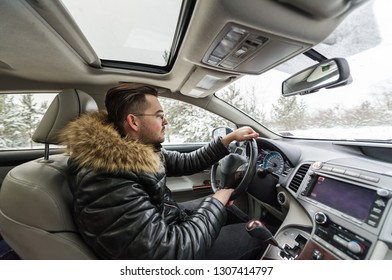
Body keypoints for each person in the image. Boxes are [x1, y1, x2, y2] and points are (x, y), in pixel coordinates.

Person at [59, 83, 267, 260]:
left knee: (229, 210)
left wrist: (227, 139)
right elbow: (168, 252)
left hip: (163, 223)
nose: (165, 121)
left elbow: (187, 162)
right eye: (159, 116)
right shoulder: (107, 177)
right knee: (256, 235)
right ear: (133, 121)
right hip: (165, 254)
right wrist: (215, 202)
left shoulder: (135, 151)